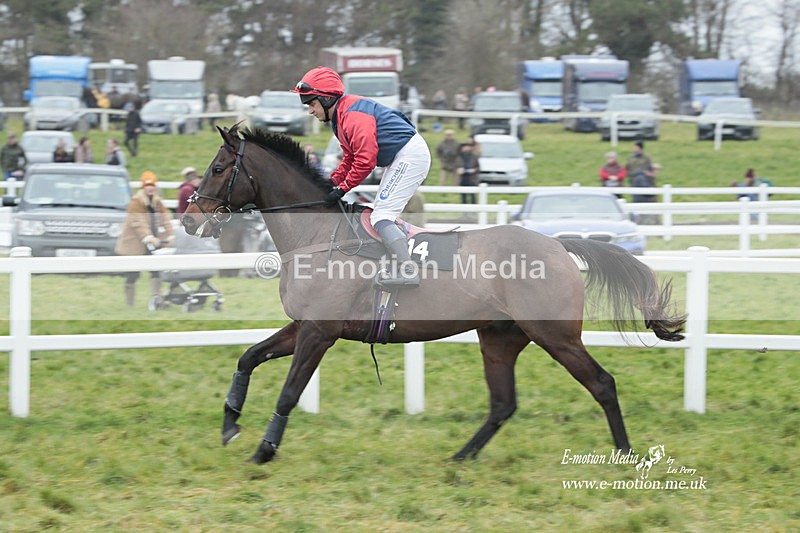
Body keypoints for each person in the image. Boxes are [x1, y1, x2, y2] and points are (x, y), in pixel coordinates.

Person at [292, 66, 432, 287]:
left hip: (409, 156)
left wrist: (342, 188)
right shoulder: (341, 118)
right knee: (381, 214)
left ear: (327, 99)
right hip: (400, 156)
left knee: (381, 217)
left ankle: (408, 271)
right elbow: (350, 157)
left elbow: (365, 160)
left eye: (311, 103)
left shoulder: (353, 116)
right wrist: (331, 183)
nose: (310, 110)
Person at [115, 171, 175, 309]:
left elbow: (166, 219)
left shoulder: (157, 202)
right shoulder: (136, 202)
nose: (150, 188)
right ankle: (129, 305)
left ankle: (157, 300)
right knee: (133, 275)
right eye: (147, 185)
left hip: (151, 244)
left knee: (156, 271)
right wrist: (149, 237)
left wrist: (171, 235)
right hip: (134, 244)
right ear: (143, 187)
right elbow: (138, 223)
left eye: (152, 185)